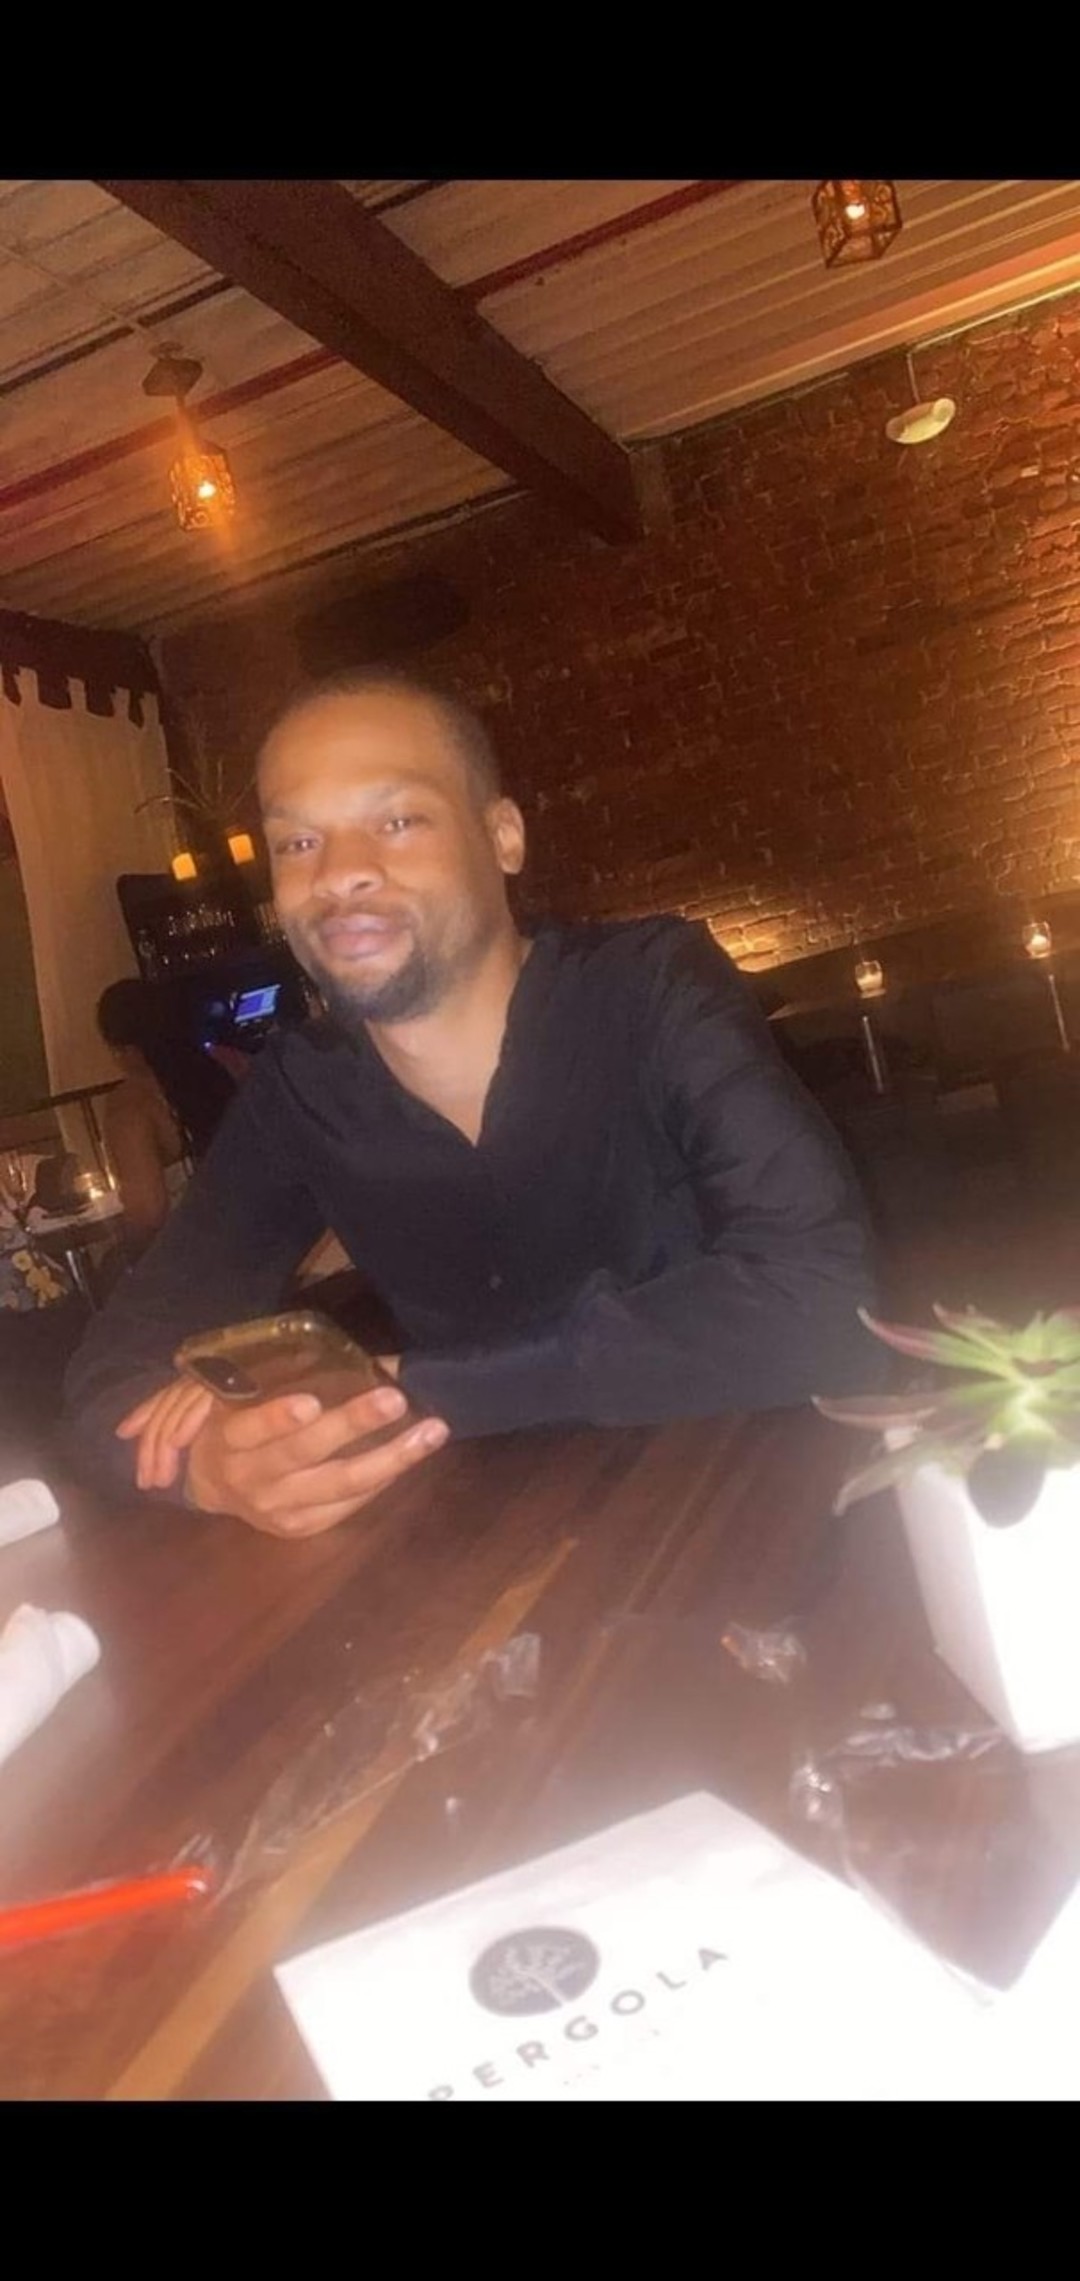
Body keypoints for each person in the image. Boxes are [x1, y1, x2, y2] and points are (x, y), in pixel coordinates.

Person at [65, 670, 879, 1539]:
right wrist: (212, 1469)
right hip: (500, 1548)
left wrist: (408, 1390)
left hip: (772, 1507)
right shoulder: (304, 1088)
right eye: (298, 841)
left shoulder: (650, 988)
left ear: (502, 837)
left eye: (397, 821)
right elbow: (103, 1383)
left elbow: (824, 1298)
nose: (339, 873)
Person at [96, 978, 236, 1252]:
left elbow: (150, 1211)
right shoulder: (222, 1067)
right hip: (270, 1225)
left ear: (122, 1047)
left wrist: (118, 1240)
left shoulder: (132, 1104)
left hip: (205, 1248)